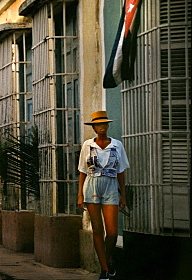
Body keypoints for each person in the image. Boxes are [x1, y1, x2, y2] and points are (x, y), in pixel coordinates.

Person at [77, 111, 129, 280]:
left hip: (111, 187)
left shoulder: (117, 145)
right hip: (92, 186)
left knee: (112, 232)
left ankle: (106, 262)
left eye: (104, 124)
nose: (102, 127)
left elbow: (120, 172)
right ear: (93, 127)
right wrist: (79, 196)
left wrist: (123, 196)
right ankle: (105, 270)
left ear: (108, 126)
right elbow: (83, 172)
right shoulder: (87, 145)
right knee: (97, 230)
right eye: (98, 124)